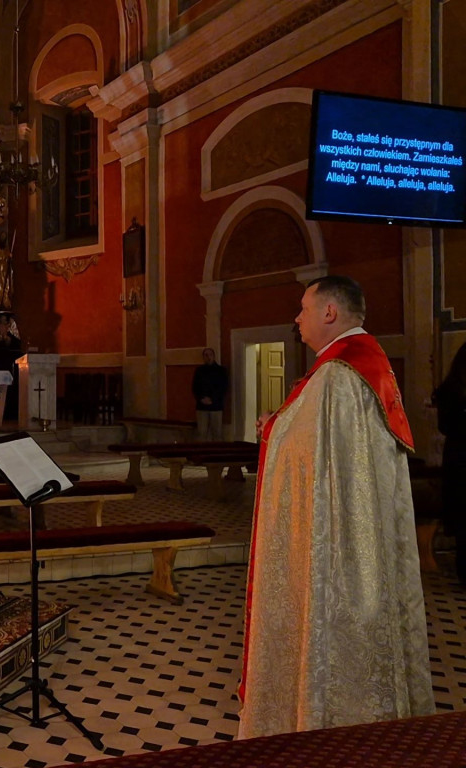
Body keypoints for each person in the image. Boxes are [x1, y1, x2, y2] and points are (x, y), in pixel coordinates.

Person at [239, 275, 433, 739]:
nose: (297, 318)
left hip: (341, 541)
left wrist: (271, 430)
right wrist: (284, 424)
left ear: (330, 313)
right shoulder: (365, 364)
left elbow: (311, 453)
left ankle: (328, 725)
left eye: (304, 308)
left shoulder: (338, 375)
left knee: (331, 621)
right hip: (365, 533)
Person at [433, 340, 466, 585]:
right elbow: (445, 426)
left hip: (458, 459)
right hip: (460, 459)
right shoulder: (451, 393)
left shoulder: (449, 390)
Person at [192, 347, 227, 441]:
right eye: (206, 355)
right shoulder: (199, 371)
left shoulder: (221, 371)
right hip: (202, 407)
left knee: (217, 433)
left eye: (210, 355)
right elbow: (195, 388)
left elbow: (223, 388)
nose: (208, 357)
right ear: (203, 357)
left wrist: (212, 399)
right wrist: (201, 398)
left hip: (216, 406)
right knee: (201, 433)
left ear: (214, 356)